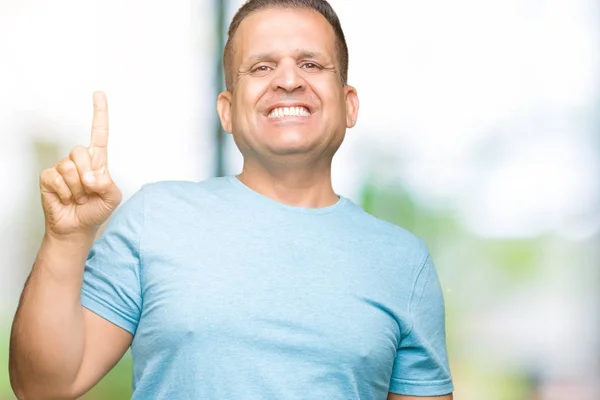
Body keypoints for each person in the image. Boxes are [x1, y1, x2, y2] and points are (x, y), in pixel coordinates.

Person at [9, 0, 454, 398]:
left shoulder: (402, 262)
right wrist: (65, 239)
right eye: (261, 67)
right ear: (226, 109)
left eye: (311, 64)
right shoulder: (154, 218)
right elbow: (42, 387)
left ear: (348, 103)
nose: (287, 80)